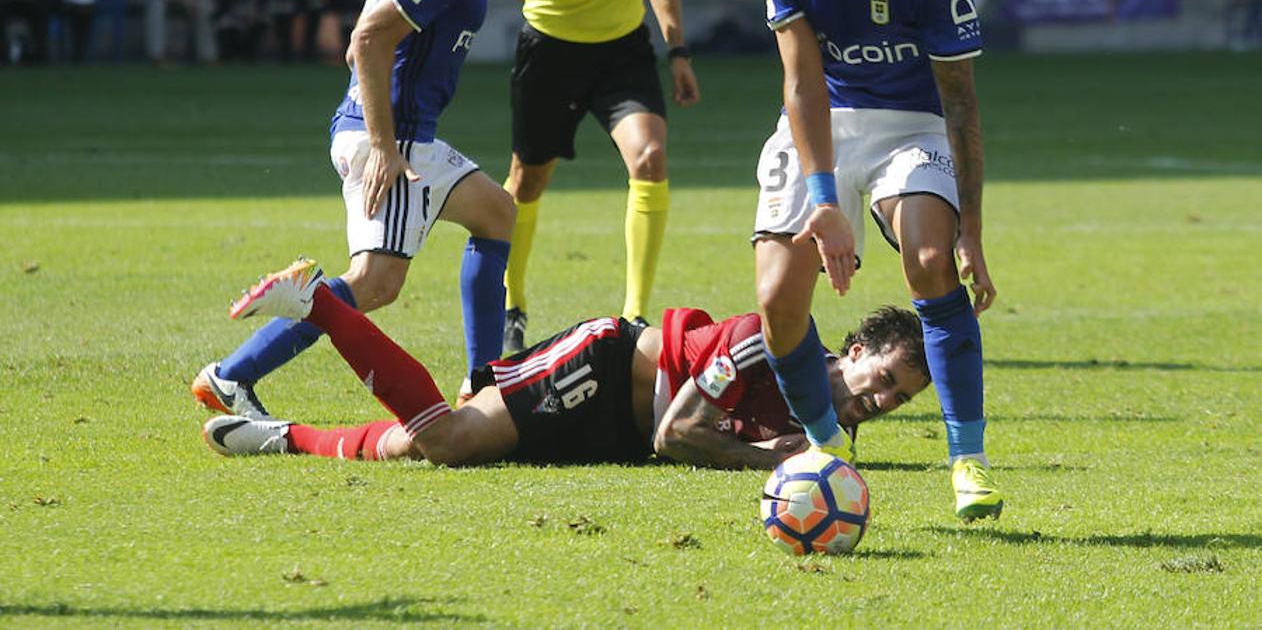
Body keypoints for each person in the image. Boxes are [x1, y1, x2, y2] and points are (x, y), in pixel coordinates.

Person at [191, 0, 550, 417]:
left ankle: (486, 383)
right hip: (395, 140)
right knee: (375, 283)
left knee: (496, 213)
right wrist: (384, 145)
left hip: (391, 129)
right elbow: (368, 38)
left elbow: (367, 41)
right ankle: (232, 375)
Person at [752, 0, 1002, 521]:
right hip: (823, 122)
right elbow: (801, 82)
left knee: (928, 259)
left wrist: (973, 232)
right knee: (776, 301)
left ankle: (968, 462)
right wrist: (826, 198)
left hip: (912, 125)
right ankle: (826, 447)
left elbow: (960, 104)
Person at [203, 258, 930, 469]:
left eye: (899, 401)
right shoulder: (772, 341)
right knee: (450, 442)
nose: (883, 401)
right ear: (856, 351)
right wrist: (767, 460)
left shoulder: (831, 430)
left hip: (612, 433)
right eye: (886, 380)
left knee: (411, 446)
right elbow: (676, 435)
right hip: (603, 370)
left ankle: (283, 437)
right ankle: (318, 307)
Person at [503, 0, 700, 353]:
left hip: (622, 50)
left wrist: (678, 49)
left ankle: (635, 315)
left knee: (652, 156)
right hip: (550, 48)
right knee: (526, 182)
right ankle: (512, 301)